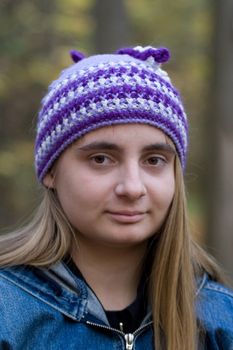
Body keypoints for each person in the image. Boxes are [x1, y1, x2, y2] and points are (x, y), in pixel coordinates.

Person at [0, 45, 232, 350]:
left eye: (154, 160)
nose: (133, 187)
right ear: (51, 171)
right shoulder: (9, 311)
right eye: (100, 159)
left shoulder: (219, 319)